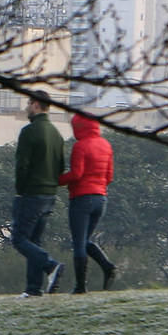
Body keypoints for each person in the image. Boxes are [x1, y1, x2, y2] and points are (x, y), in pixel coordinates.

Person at [9, 97, 67, 296]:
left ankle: (51, 265)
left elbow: (22, 165)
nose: (26, 108)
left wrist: (20, 189)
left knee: (19, 239)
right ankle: (33, 288)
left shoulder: (29, 132)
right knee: (35, 241)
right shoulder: (56, 134)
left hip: (30, 193)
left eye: (28, 104)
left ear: (35, 105)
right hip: (49, 194)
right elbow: (61, 167)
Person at [59, 112, 119, 291]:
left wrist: (58, 180)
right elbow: (109, 176)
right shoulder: (106, 145)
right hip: (101, 199)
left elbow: (76, 174)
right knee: (84, 240)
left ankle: (80, 287)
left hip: (81, 198)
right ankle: (107, 267)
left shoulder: (80, 146)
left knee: (78, 242)